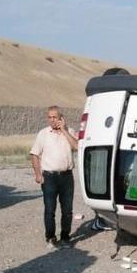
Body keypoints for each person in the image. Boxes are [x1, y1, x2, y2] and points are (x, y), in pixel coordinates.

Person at [30, 106, 78, 249]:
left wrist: (64, 130)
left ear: (61, 118)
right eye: (49, 117)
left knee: (67, 210)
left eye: (55, 117)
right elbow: (34, 154)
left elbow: (76, 146)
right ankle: (50, 237)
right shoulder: (43, 134)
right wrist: (38, 174)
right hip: (49, 177)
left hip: (67, 176)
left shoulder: (69, 131)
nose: (52, 120)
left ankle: (65, 237)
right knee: (50, 209)